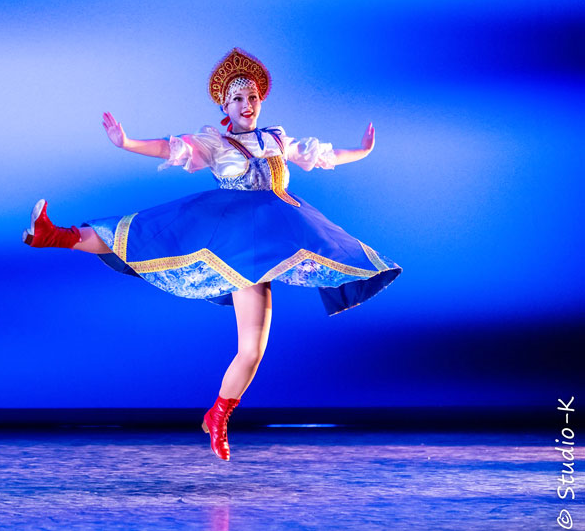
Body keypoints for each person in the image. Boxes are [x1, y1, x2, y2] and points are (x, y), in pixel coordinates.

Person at [23, 48, 401, 461]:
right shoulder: (216, 142)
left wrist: (362, 151)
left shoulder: (276, 139)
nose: (247, 104)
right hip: (233, 244)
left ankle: (218, 414)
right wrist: (127, 142)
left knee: (252, 351)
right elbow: (172, 148)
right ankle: (53, 235)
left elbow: (322, 155)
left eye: (252, 97)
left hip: (272, 240)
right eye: (238, 98)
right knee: (145, 233)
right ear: (225, 106)